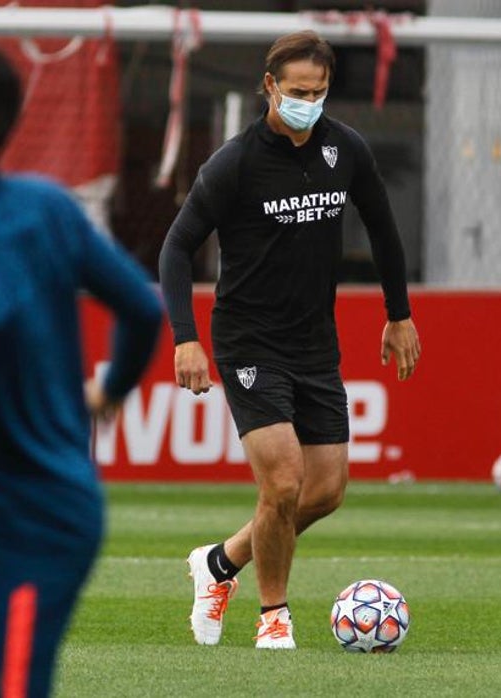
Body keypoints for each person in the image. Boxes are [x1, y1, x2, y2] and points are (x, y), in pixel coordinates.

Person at [0, 40, 163, 696]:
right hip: (43, 506)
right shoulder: (44, 206)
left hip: (21, 524)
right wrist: (110, 391)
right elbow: (144, 309)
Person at [159, 30, 421, 649]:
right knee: (282, 484)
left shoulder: (346, 149)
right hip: (248, 340)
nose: (309, 101)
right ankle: (272, 616)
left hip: (313, 342)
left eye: (320, 91)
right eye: (298, 91)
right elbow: (175, 247)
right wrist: (184, 338)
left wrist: (399, 313)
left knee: (325, 491)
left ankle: (220, 563)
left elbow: (384, 231)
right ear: (271, 87)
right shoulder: (235, 163)